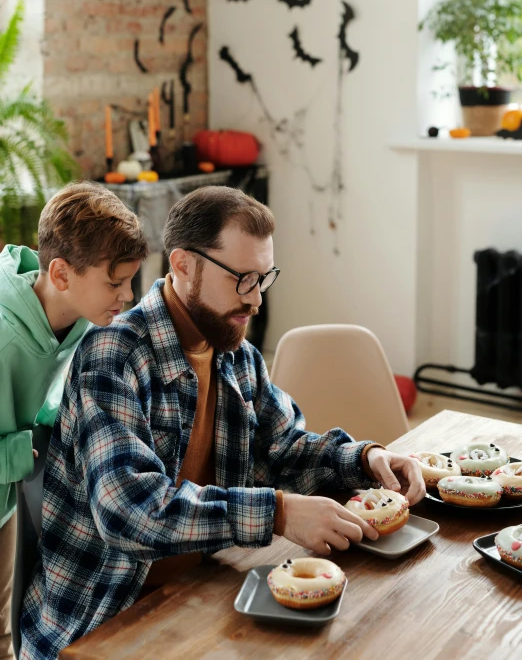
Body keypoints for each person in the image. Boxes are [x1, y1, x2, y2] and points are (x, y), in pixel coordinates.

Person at [20, 186, 424, 660]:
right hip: (101, 626)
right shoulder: (112, 356)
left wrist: (367, 458)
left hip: (206, 597)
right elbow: (128, 511)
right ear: (183, 265)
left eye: (263, 278)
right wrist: (279, 513)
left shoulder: (238, 356)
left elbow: (287, 448)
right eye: (241, 279)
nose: (255, 301)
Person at [0, 181, 148, 660]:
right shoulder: (3, 340)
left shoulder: (85, 315)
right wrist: (23, 451)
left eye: (131, 281)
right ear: (61, 274)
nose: (127, 296)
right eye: (115, 283)